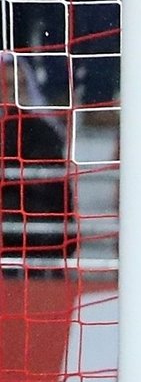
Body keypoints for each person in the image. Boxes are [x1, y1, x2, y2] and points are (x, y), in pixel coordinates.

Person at [0, 50, 73, 273]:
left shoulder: (42, 131)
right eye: (7, 86)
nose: (14, 94)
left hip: (34, 245)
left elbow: (52, 196)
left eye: (20, 85)